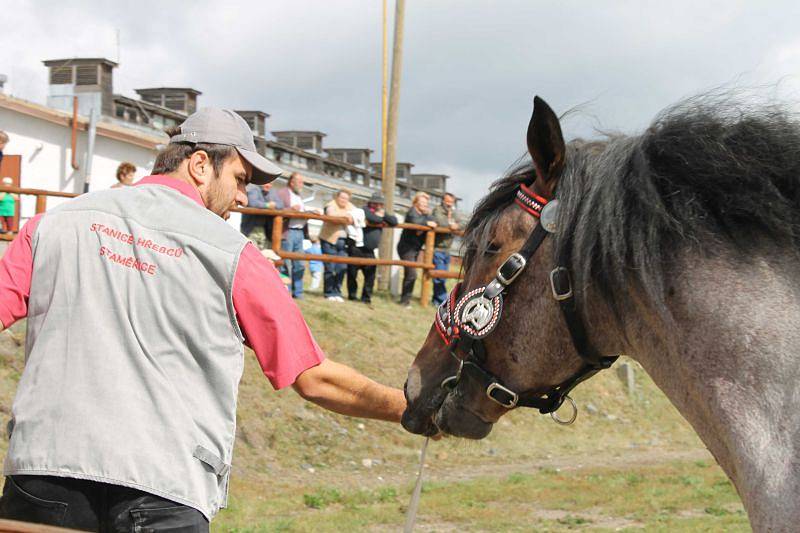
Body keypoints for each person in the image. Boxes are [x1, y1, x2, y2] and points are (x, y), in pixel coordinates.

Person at [0, 108, 406, 531]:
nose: (243, 197)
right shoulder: (233, 255)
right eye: (240, 178)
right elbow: (313, 376)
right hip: (162, 486)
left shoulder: (53, 225)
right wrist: (412, 408)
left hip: (44, 471)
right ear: (198, 165)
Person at [348, 192, 397, 304]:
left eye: (380, 204)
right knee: (352, 273)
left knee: (370, 275)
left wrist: (383, 216)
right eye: (376, 203)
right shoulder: (364, 210)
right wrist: (382, 218)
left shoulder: (381, 213)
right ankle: (352, 295)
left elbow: (394, 221)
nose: (378, 206)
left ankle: (366, 297)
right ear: (371, 202)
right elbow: (372, 218)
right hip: (357, 247)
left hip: (370, 250)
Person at [397, 192, 436, 307]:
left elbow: (434, 221)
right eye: (422, 202)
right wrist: (427, 222)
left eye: (426, 203)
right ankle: (405, 300)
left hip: (416, 248)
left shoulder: (424, 214)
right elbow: (415, 222)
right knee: (412, 274)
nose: (424, 205)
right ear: (416, 203)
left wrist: (428, 217)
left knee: (410, 274)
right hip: (406, 248)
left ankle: (405, 299)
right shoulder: (411, 212)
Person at [275, 173, 310, 299]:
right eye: (300, 182)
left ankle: (298, 292)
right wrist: (290, 208)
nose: (302, 184)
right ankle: (285, 291)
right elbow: (277, 209)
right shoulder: (282, 193)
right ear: (291, 182)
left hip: (299, 233)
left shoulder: (299, 196)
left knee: (299, 264)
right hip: (287, 231)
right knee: (285, 263)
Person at [319, 189, 354, 302]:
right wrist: (346, 217)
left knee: (342, 268)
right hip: (329, 239)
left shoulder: (350, 206)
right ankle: (328, 293)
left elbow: (356, 216)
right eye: (342, 197)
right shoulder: (331, 205)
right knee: (330, 267)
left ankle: (337, 292)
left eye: (346, 198)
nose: (344, 200)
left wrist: (349, 217)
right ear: (337, 197)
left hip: (343, 241)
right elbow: (331, 215)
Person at [430, 192, 460, 305]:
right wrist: (450, 224)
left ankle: (436, 300)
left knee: (443, 276)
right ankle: (444, 301)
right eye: (447, 201)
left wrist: (457, 226)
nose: (449, 204)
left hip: (447, 250)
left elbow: (463, 222)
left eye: (451, 202)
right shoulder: (437, 210)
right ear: (443, 200)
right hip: (438, 248)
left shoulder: (454, 212)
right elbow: (440, 222)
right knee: (440, 275)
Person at [241, 181, 282, 251]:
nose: (268, 185)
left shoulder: (272, 192)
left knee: (262, 253)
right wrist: (268, 205)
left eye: (271, 184)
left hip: (264, 229)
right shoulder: (254, 190)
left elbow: (281, 205)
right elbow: (253, 203)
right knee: (251, 252)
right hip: (251, 229)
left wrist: (273, 205)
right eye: (267, 183)